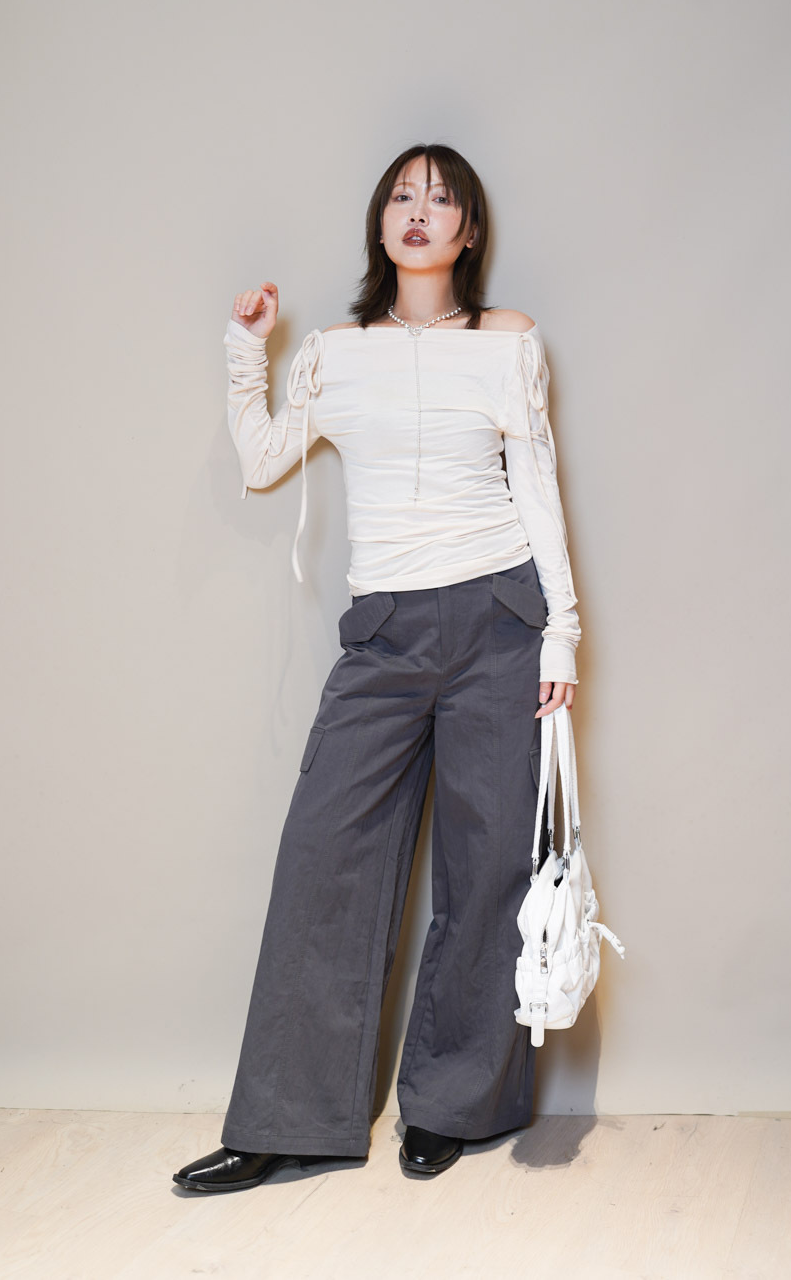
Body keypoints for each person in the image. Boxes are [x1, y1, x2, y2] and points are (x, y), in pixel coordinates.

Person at [173, 143, 580, 1192]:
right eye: (402, 195)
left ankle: (452, 1104)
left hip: (499, 618)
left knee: (489, 864)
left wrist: (563, 633)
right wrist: (247, 348)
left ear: (468, 231)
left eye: (441, 199)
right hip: (386, 632)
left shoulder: (507, 340)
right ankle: (288, 1121)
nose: (418, 210)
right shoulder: (335, 353)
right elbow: (265, 460)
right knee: (325, 855)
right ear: (381, 222)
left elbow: (537, 488)